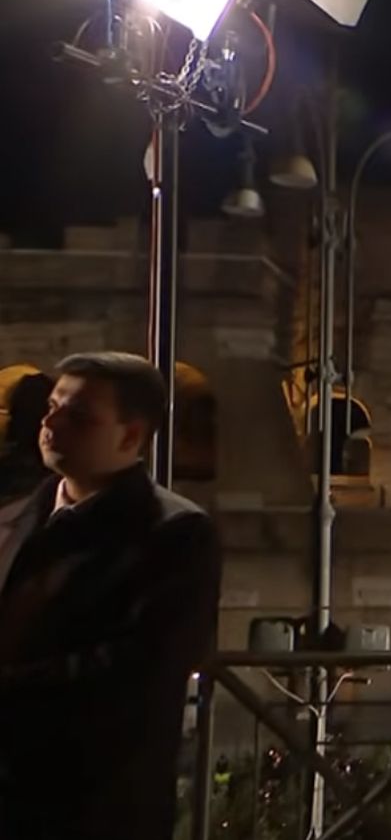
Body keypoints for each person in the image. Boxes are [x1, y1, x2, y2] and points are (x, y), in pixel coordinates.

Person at [0, 351, 222, 839]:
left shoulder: (176, 534)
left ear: (130, 435)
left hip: (92, 809)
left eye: (77, 415)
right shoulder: (14, 517)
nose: (51, 423)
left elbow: (137, 668)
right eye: (51, 408)